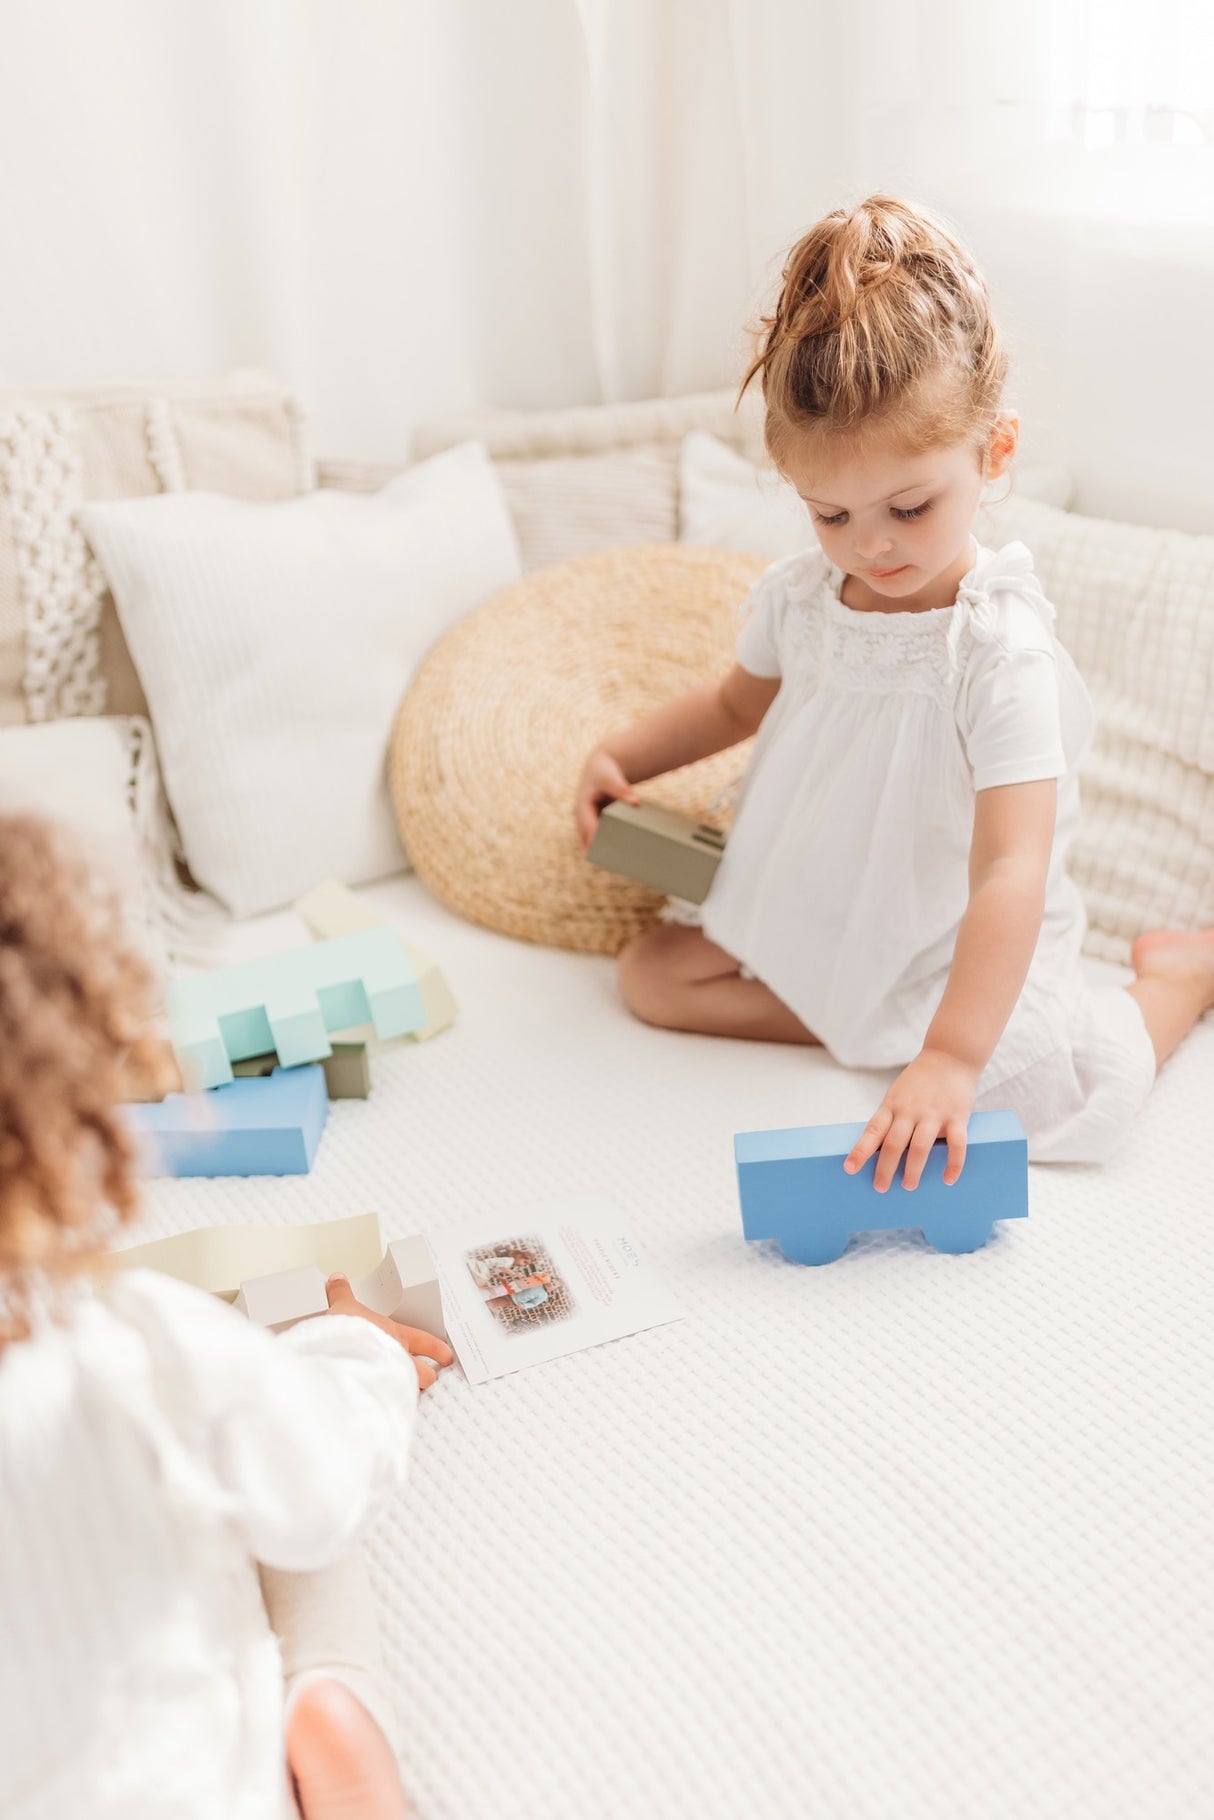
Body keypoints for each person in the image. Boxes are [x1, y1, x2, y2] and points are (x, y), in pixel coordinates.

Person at [575, 195, 1214, 1185]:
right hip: (824, 902)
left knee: (1055, 1099)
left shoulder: (996, 648)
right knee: (651, 978)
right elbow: (732, 706)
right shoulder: (799, 596)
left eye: (907, 507)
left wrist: (953, 1058)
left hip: (950, 934)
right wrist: (620, 756)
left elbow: (1010, 868)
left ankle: (1174, 978)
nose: (868, 544)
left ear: (992, 454)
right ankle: (865, 1017)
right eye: (829, 512)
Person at [0, 814, 454, 1820]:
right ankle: (343, 1721)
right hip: (197, 1782)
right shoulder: (135, 1345)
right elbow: (328, 1477)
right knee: (291, 1513)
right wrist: (356, 1350)